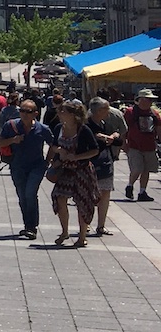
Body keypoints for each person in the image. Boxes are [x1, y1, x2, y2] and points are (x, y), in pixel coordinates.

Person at [0, 99, 54, 240]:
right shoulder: (10, 126)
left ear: (35, 113)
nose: (24, 114)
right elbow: (0, 142)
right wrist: (13, 140)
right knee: (22, 196)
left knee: (30, 193)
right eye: (21, 110)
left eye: (28, 112)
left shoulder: (42, 129)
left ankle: (32, 227)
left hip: (36, 166)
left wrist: (47, 162)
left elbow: (53, 145)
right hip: (17, 166)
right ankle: (27, 225)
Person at [47, 100, 100, 248]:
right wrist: (58, 152)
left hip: (82, 170)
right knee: (58, 197)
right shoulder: (59, 128)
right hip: (65, 170)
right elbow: (53, 145)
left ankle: (82, 236)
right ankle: (64, 231)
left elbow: (95, 150)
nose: (59, 113)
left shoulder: (83, 130)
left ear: (72, 115)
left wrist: (76, 157)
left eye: (63, 111)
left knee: (83, 202)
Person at [88, 97, 123, 237]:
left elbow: (118, 140)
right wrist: (100, 137)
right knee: (89, 195)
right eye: (106, 109)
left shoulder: (106, 123)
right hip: (90, 163)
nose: (108, 111)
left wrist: (114, 136)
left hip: (106, 163)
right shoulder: (87, 124)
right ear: (97, 110)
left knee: (105, 194)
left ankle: (101, 226)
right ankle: (86, 224)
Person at [123, 88, 161, 202]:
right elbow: (124, 129)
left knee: (146, 170)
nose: (149, 102)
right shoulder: (130, 112)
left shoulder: (154, 114)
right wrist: (123, 143)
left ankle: (142, 191)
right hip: (134, 146)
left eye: (150, 100)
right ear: (139, 100)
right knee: (137, 168)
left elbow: (159, 129)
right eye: (147, 99)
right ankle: (130, 185)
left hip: (149, 146)